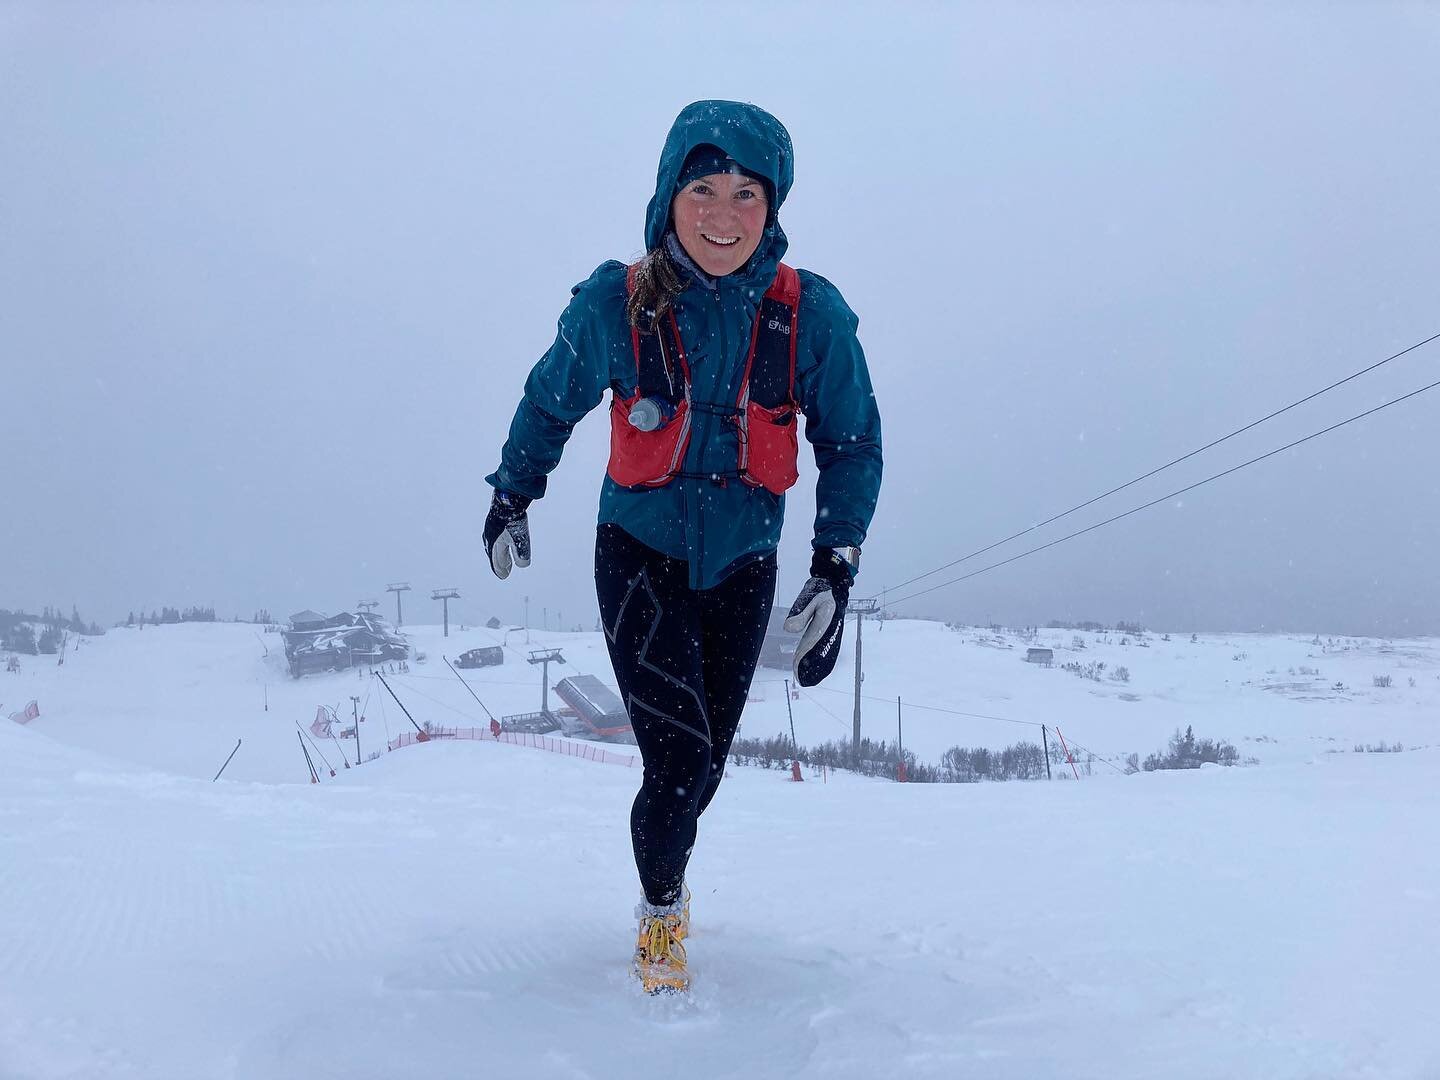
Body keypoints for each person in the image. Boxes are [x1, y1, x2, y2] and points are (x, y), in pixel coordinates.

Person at [483, 100, 882, 994]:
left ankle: (667, 867)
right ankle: (661, 910)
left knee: (704, 765)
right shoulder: (616, 306)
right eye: (703, 188)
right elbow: (553, 399)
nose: (724, 214)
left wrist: (834, 564)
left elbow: (852, 443)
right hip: (638, 553)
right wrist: (515, 491)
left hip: (744, 564)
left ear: (772, 208)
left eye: (747, 193)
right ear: (669, 196)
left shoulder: (807, 316)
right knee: (678, 760)